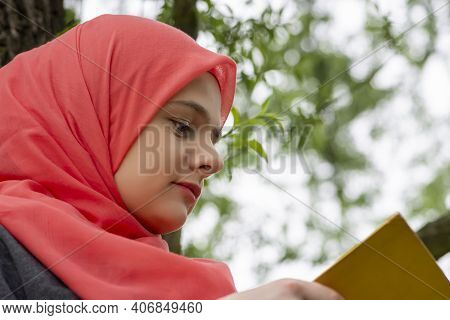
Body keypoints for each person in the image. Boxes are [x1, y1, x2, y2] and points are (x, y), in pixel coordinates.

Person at [0, 14, 342, 300]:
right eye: (182, 126)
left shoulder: (172, 289)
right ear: (87, 118)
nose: (213, 161)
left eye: (213, 137)